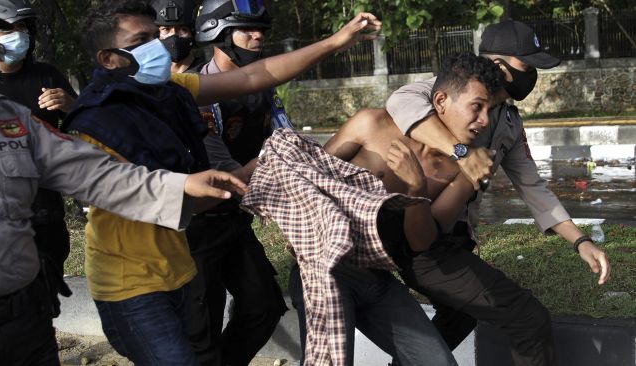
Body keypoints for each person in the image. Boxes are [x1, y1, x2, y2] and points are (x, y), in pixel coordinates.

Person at [62, 1, 381, 365]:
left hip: (177, 267)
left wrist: (336, 41)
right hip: (131, 287)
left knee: (245, 319)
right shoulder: (96, 126)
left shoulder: (167, 90)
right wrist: (263, 167)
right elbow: (160, 201)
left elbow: (253, 77)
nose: (158, 47)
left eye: (157, 36)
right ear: (109, 58)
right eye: (142, 40)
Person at [0, 3, 249, 365]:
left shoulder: (8, 120)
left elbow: (99, 175)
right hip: (129, 283)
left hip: (25, 321)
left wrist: (180, 186)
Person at [385, 20, 611, 364]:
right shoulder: (439, 91)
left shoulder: (507, 121)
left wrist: (580, 241)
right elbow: (400, 102)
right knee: (527, 318)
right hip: (416, 233)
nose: (532, 75)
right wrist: (462, 153)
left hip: (450, 236)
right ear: (498, 65)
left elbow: (532, 185)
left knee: (459, 317)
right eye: (527, 66)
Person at [286, 52, 501, 366]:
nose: (485, 120)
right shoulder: (371, 125)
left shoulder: (463, 170)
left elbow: (421, 243)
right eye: (477, 107)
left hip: (377, 279)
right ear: (441, 100)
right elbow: (308, 181)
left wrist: (416, 191)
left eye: (490, 110)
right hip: (323, 273)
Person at [185, 1, 291, 364]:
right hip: (197, 229)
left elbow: (288, 138)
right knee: (203, 329)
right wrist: (275, 164)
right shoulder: (199, 94)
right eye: (247, 30)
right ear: (218, 36)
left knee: (264, 307)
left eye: (260, 30)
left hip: (234, 222)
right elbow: (228, 172)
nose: (257, 37)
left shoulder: (264, 90)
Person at [0, 0, 80, 318]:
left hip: (46, 210)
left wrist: (71, 105)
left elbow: (86, 127)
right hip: (0, 217)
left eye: (22, 28)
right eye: (6, 29)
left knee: (44, 301)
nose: (16, 36)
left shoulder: (48, 75)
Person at [151, 0, 205, 73]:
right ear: (156, 34)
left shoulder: (207, 71)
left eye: (182, 29)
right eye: (166, 29)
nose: (174, 36)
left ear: (193, 32)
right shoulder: (148, 73)